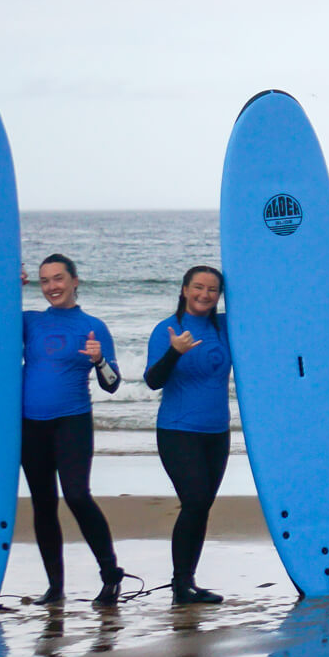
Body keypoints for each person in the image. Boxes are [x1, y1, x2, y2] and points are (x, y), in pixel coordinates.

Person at [22, 254, 124, 605]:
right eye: (45, 281)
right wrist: (8, 290)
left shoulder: (92, 326)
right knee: (43, 504)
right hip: (30, 425)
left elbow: (112, 384)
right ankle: (55, 588)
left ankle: (111, 574)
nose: (52, 286)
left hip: (72, 420)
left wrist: (99, 360)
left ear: (74, 281)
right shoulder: (28, 322)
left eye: (58, 278)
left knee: (77, 495)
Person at [143, 265, 232, 604]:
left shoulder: (226, 327)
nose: (204, 295)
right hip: (177, 430)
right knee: (194, 501)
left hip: (217, 432)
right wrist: (174, 352)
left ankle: (187, 582)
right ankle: (181, 585)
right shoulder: (167, 329)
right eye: (198, 287)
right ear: (183, 289)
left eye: (212, 290)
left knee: (201, 506)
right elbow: (153, 381)